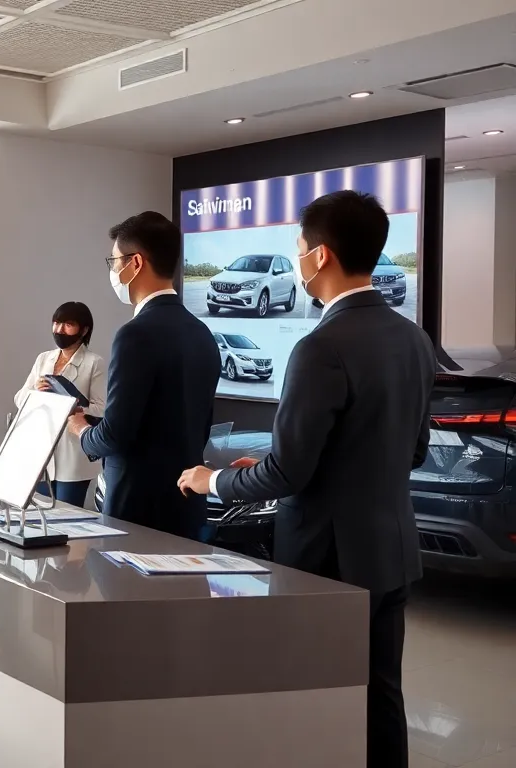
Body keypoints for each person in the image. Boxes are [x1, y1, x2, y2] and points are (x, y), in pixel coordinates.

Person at [178, 190, 433, 768]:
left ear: (319, 256)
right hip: (391, 550)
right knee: (380, 696)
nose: (296, 258)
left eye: (297, 247)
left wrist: (209, 480)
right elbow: (409, 451)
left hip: (328, 561)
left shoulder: (320, 346)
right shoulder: (413, 338)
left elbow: (289, 472)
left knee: (316, 699)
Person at [65, 212, 219, 540]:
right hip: (188, 505)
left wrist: (79, 428)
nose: (112, 270)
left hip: (136, 511)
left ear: (135, 263)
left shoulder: (134, 335)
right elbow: (195, 426)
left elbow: (116, 434)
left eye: (114, 261)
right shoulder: (203, 334)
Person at [14, 301, 105, 507]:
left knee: (68, 518)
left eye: (67, 324)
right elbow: (19, 398)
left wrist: (73, 408)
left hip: (73, 453)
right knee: (41, 515)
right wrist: (34, 391)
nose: (59, 330)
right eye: (56, 323)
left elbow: (101, 409)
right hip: (41, 453)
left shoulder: (94, 362)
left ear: (84, 330)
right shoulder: (43, 359)